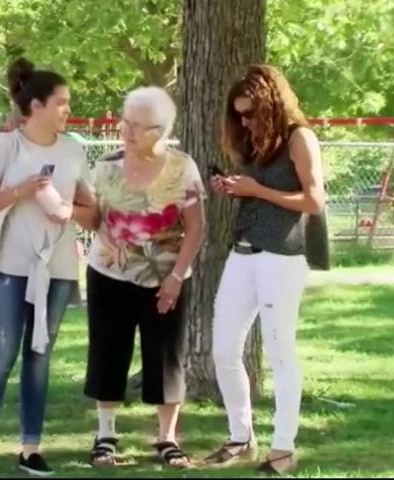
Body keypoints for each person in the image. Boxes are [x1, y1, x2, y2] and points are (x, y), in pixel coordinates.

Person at [0, 58, 93, 479]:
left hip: (58, 269)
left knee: (39, 355)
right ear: (36, 106)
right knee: (1, 353)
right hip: (11, 266)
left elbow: (93, 214)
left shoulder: (73, 149)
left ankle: (30, 448)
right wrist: (19, 192)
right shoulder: (7, 145)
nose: (67, 110)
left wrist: (68, 210)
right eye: (61, 102)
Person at [205, 64, 325, 475]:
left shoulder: (299, 138)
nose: (244, 121)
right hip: (243, 251)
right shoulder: (254, 143)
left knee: (279, 350)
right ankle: (240, 436)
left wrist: (257, 189)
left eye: (250, 113)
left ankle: (283, 448)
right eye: (238, 114)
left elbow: (314, 201)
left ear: (271, 104)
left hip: (281, 255)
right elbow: (255, 192)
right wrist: (235, 187)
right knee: (223, 348)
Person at [78, 86, 204, 469]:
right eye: (125, 122)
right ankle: (105, 435)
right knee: (107, 351)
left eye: (137, 126)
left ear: (159, 131)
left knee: (165, 355)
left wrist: (176, 277)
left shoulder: (182, 168)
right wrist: (66, 204)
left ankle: (167, 439)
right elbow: (94, 220)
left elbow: (196, 228)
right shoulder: (106, 167)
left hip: (165, 277)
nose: (126, 131)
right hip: (109, 273)